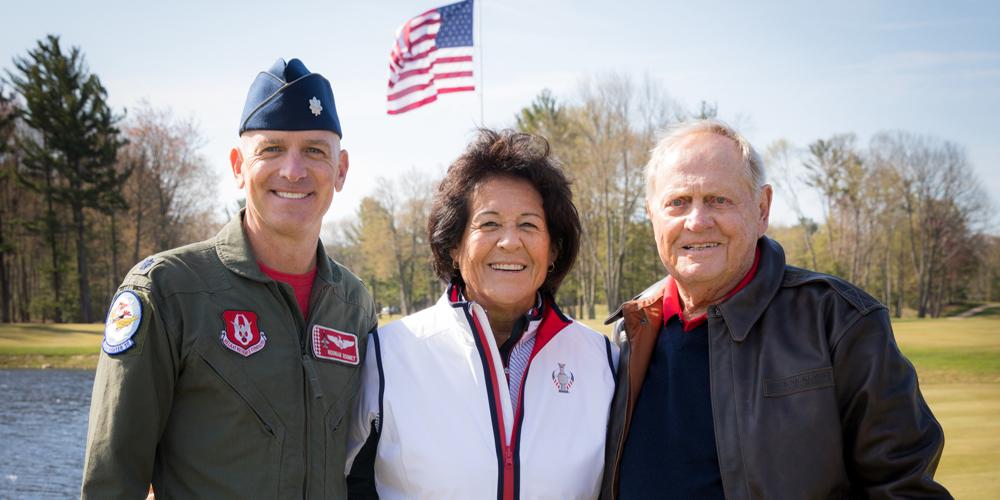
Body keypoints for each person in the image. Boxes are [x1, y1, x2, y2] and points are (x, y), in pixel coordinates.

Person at [600, 119, 950, 499]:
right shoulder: (632, 330)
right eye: (678, 202)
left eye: (719, 199)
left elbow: (904, 488)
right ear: (653, 214)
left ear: (762, 209)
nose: (697, 221)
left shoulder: (840, 321)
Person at [81, 58, 377, 499]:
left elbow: (363, 470)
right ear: (238, 165)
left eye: (314, 150)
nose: (293, 170)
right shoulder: (167, 291)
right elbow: (112, 481)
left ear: (341, 170)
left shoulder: (354, 304)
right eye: (272, 149)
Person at [346, 129, 618, 499]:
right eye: (489, 224)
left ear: (552, 249)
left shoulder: (603, 362)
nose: (509, 242)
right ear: (454, 246)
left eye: (528, 225)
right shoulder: (386, 357)